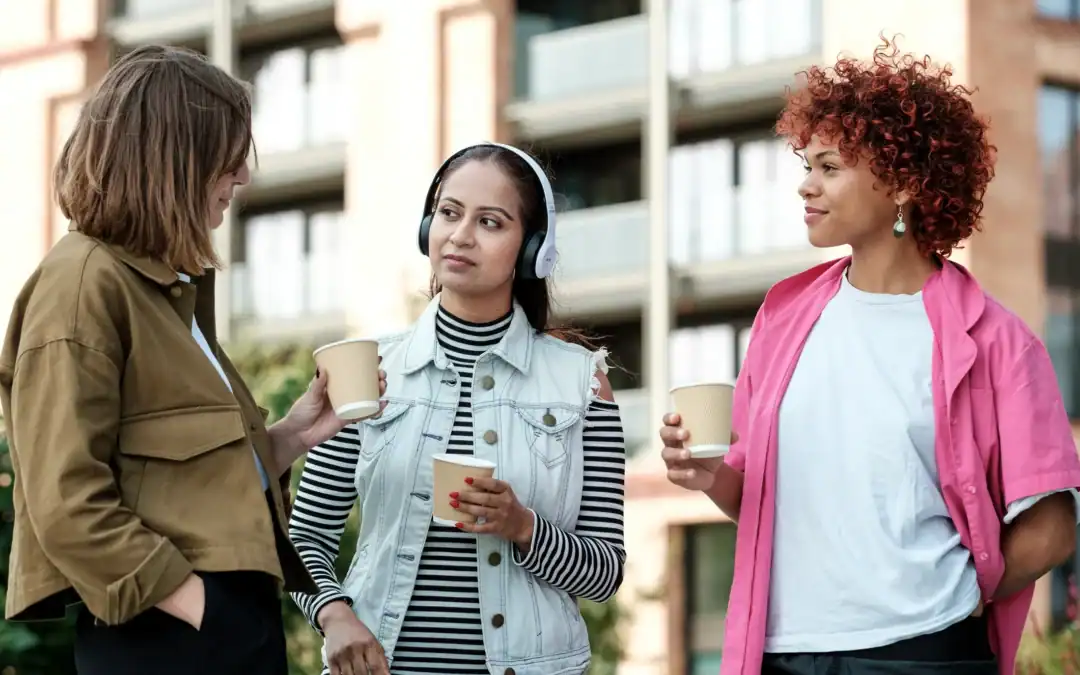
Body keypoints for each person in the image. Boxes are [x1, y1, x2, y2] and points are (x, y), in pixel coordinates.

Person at [659, 38, 1080, 675]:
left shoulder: (997, 341)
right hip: (783, 652)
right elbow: (758, 496)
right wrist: (704, 472)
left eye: (829, 167)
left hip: (923, 653)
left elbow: (1051, 527)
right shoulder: (781, 318)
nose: (805, 185)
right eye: (807, 164)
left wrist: (959, 601)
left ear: (904, 181)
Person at [0, 45, 384, 675]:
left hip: (216, 628)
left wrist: (292, 435)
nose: (243, 177)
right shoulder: (81, 284)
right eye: (228, 156)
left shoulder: (165, 292)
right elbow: (66, 502)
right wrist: (199, 608)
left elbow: (181, 481)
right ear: (175, 158)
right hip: (168, 636)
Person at [288, 142, 627, 675]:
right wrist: (334, 616)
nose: (461, 235)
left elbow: (605, 573)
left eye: (490, 222)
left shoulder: (583, 384)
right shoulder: (365, 368)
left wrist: (523, 527)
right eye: (449, 213)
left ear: (532, 248)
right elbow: (305, 539)